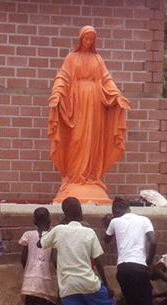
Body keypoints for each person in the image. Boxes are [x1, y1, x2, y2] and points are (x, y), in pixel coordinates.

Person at [48, 25, 129, 203]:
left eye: (92, 39)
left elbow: (106, 80)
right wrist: (56, 94)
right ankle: (74, 177)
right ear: (80, 39)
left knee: (93, 141)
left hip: (95, 104)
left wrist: (117, 96)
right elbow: (62, 77)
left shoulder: (98, 59)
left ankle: (92, 177)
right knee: (76, 139)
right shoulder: (71, 58)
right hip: (76, 104)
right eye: (86, 38)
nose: (89, 41)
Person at [104, 197, 157, 305]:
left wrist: (108, 223)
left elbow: (106, 240)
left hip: (123, 269)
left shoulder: (115, 222)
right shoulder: (144, 220)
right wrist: (149, 261)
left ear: (115, 211)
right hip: (140, 268)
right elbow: (153, 242)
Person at [19, 207, 59, 305]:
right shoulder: (53, 237)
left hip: (30, 283)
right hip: (46, 283)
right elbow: (54, 260)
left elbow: (23, 258)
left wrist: (29, 270)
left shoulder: (28, 235)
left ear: (34, 220)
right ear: (49, 220)